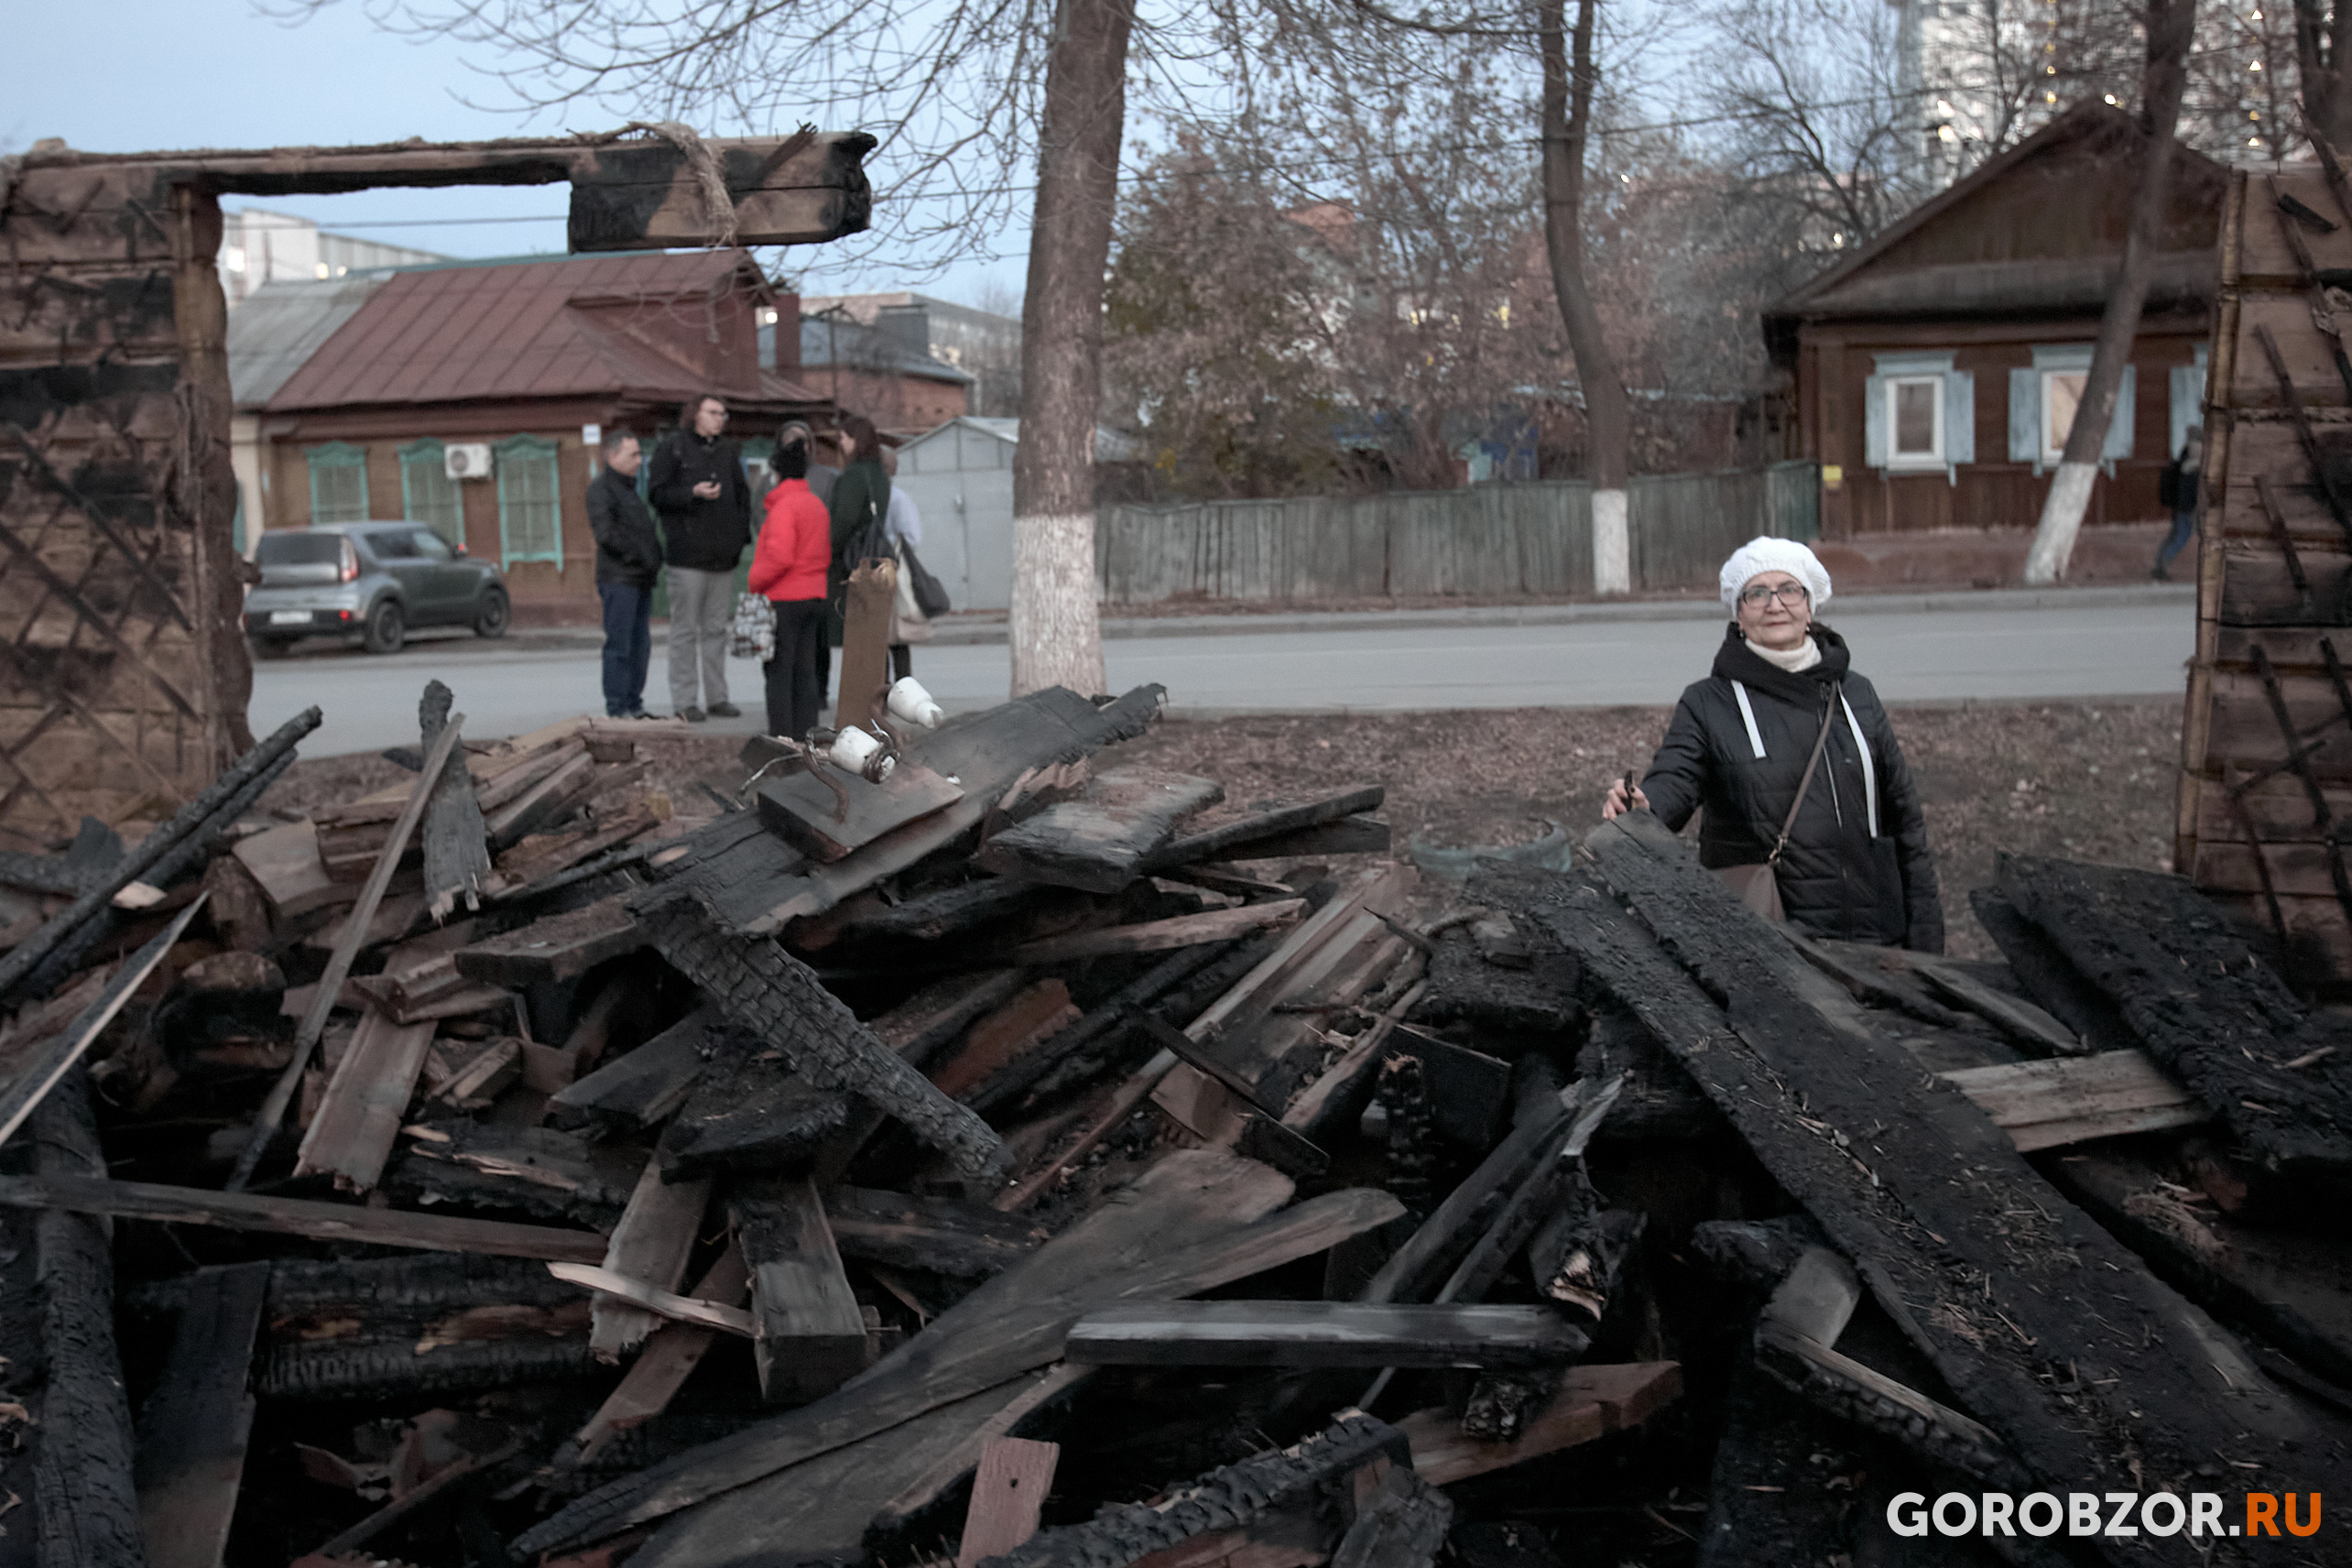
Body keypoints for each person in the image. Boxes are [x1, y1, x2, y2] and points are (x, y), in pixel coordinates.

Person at [1603, 536, 1944, 952]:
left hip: (1879, 937)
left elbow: (1905, 821)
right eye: (1757, 593)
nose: (1775, 603)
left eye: (1789, 589)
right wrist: (1644, 806)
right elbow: (1675, 778)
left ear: (1809, 605)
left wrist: (1926, 937)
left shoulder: (1857, 694)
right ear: (1739, 615)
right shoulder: (1710, 703)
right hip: (1773, 942)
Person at [648, 394, 751, 722]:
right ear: (695, 415)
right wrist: (691, 494)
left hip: (722, 558)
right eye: (713, 412)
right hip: (686, 557)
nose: (720, 418)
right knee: (685, 631)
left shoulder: (726, 452)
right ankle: (685, 701)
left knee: (716, 630)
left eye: (723, 413)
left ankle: (718, 697)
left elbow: (742, 498)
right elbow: (656, 494)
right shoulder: (673, 448)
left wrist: (738, 541)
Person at [748, 437, 832, 740]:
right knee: (805, 670)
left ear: (777, 474)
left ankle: (781, 739)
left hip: (785, 598)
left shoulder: (784, 508)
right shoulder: (816, 505)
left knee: (779, 674)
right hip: (814, 594)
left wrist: (755, 580)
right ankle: (805, 737)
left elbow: (779, 557)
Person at [585, 430, 660, 719]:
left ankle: (634, 704)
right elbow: (607, 535)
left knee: (640, 646)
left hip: (638, 578)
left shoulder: (628, 489)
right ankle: (618, 708)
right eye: (633, 454)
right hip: (619, 579)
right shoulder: (601, 489)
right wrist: (639, 556)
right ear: (613, 456)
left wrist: (653, 558)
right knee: (620, 645)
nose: (640, 461)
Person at [825, 416, 891, 708]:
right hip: (877, 558)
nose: (841, 444)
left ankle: (859, 699)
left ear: (856, 440)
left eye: (844, 438)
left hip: (852, 561)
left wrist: (829, 549)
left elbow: (844, 520)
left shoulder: (853, 476)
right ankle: (878, 697)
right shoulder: (880, 474)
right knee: (873, 635)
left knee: (854, 634)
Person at [881, 443, 925, 681]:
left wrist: (884, 544)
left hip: (894, 571)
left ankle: (902, 687)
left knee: (896, 637)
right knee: (880, 639)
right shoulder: (880, 496)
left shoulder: (897, 499)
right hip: (879, 573)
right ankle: (886, 689)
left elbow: (911, 538)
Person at [2153, 424, 2203, 582]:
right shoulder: (2192, 464)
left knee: (2175, 535)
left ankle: (2160, 564)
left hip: (2181, 505)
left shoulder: (2184, 456)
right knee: (2181, 536)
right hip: (2187, 507)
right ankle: (2162, 566)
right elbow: (2190, 489)